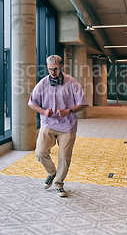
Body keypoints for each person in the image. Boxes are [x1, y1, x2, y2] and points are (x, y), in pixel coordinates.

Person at [28, 55, 88, 197]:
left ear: (61, 67)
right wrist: (43, 111)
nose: (53, 72)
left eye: (55, 69)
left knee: (64, 157)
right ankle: (51, 172)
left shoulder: (71, 82)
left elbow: (83, 103)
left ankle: (59, 184)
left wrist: (69, 111)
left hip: (67, 125)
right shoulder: (43, 83)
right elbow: (31, 102)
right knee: (40, 152)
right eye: (50, 69)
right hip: (48, 123)